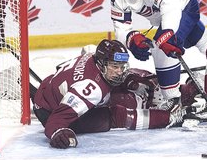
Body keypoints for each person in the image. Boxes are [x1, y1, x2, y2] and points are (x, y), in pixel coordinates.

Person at [110, 0, 207, 111]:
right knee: (199, 39)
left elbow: (171, 7)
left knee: (160, 49)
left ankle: (173, 100)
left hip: (183, 4)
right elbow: (120, 26)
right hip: (165, 15)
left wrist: (167, 34)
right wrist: (131, 39)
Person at [32, 39, 192, 149]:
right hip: (49, 111)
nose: (119, 71)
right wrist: (59, 133)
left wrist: (129, 80)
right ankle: (169, 117)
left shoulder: (92, 56)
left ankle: (159, 94)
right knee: (114, 114)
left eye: (121, 66)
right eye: (115, 66)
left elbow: (62, 69)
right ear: (101, 64)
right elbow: (55, 121)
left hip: (49, 88)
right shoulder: (91, 89)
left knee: (129, 77)